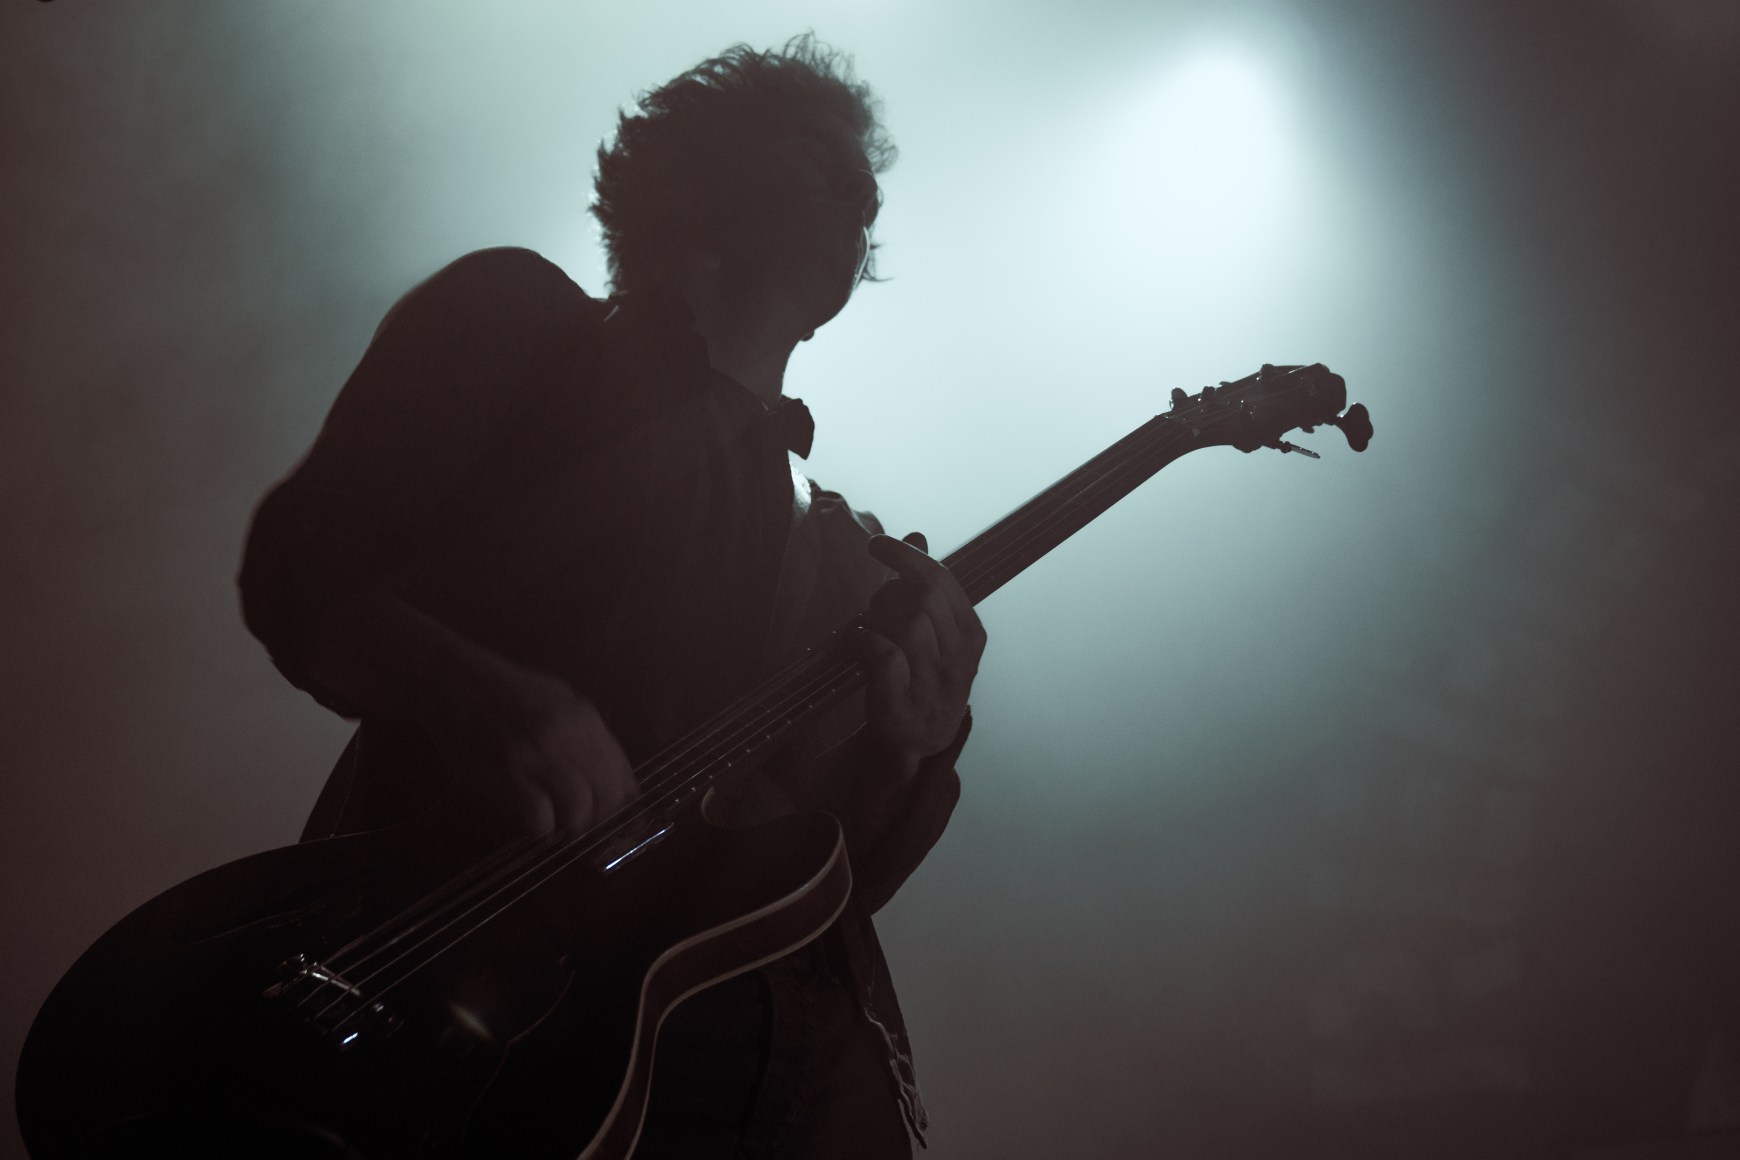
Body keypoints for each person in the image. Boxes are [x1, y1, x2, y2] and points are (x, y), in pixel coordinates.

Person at [238, 34, 986, 1159]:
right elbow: (300, 570)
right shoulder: (524, 322)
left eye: (864, 180)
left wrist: (912, 753)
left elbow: (823, 878)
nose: (859, 191)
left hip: (787, 1078)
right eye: (817, 154)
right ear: (696, 173)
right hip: (467, 1036)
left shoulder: (846, 557)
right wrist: (481, 694)